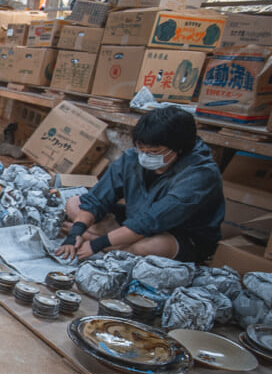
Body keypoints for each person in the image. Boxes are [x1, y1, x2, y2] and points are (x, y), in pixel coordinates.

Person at [56, 106, 224, 263]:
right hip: (135, 218)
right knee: (74, 202)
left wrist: (96, 245)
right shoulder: (133, 158)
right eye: (141, 149)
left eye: (154, 152)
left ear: (179, 149)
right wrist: (75, 233)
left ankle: (109, 242)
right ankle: (115, 242)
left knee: (148, 247)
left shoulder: (200, 175)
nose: (145, 156)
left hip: (178, 235)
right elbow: (96, 199)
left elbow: (151, 221)